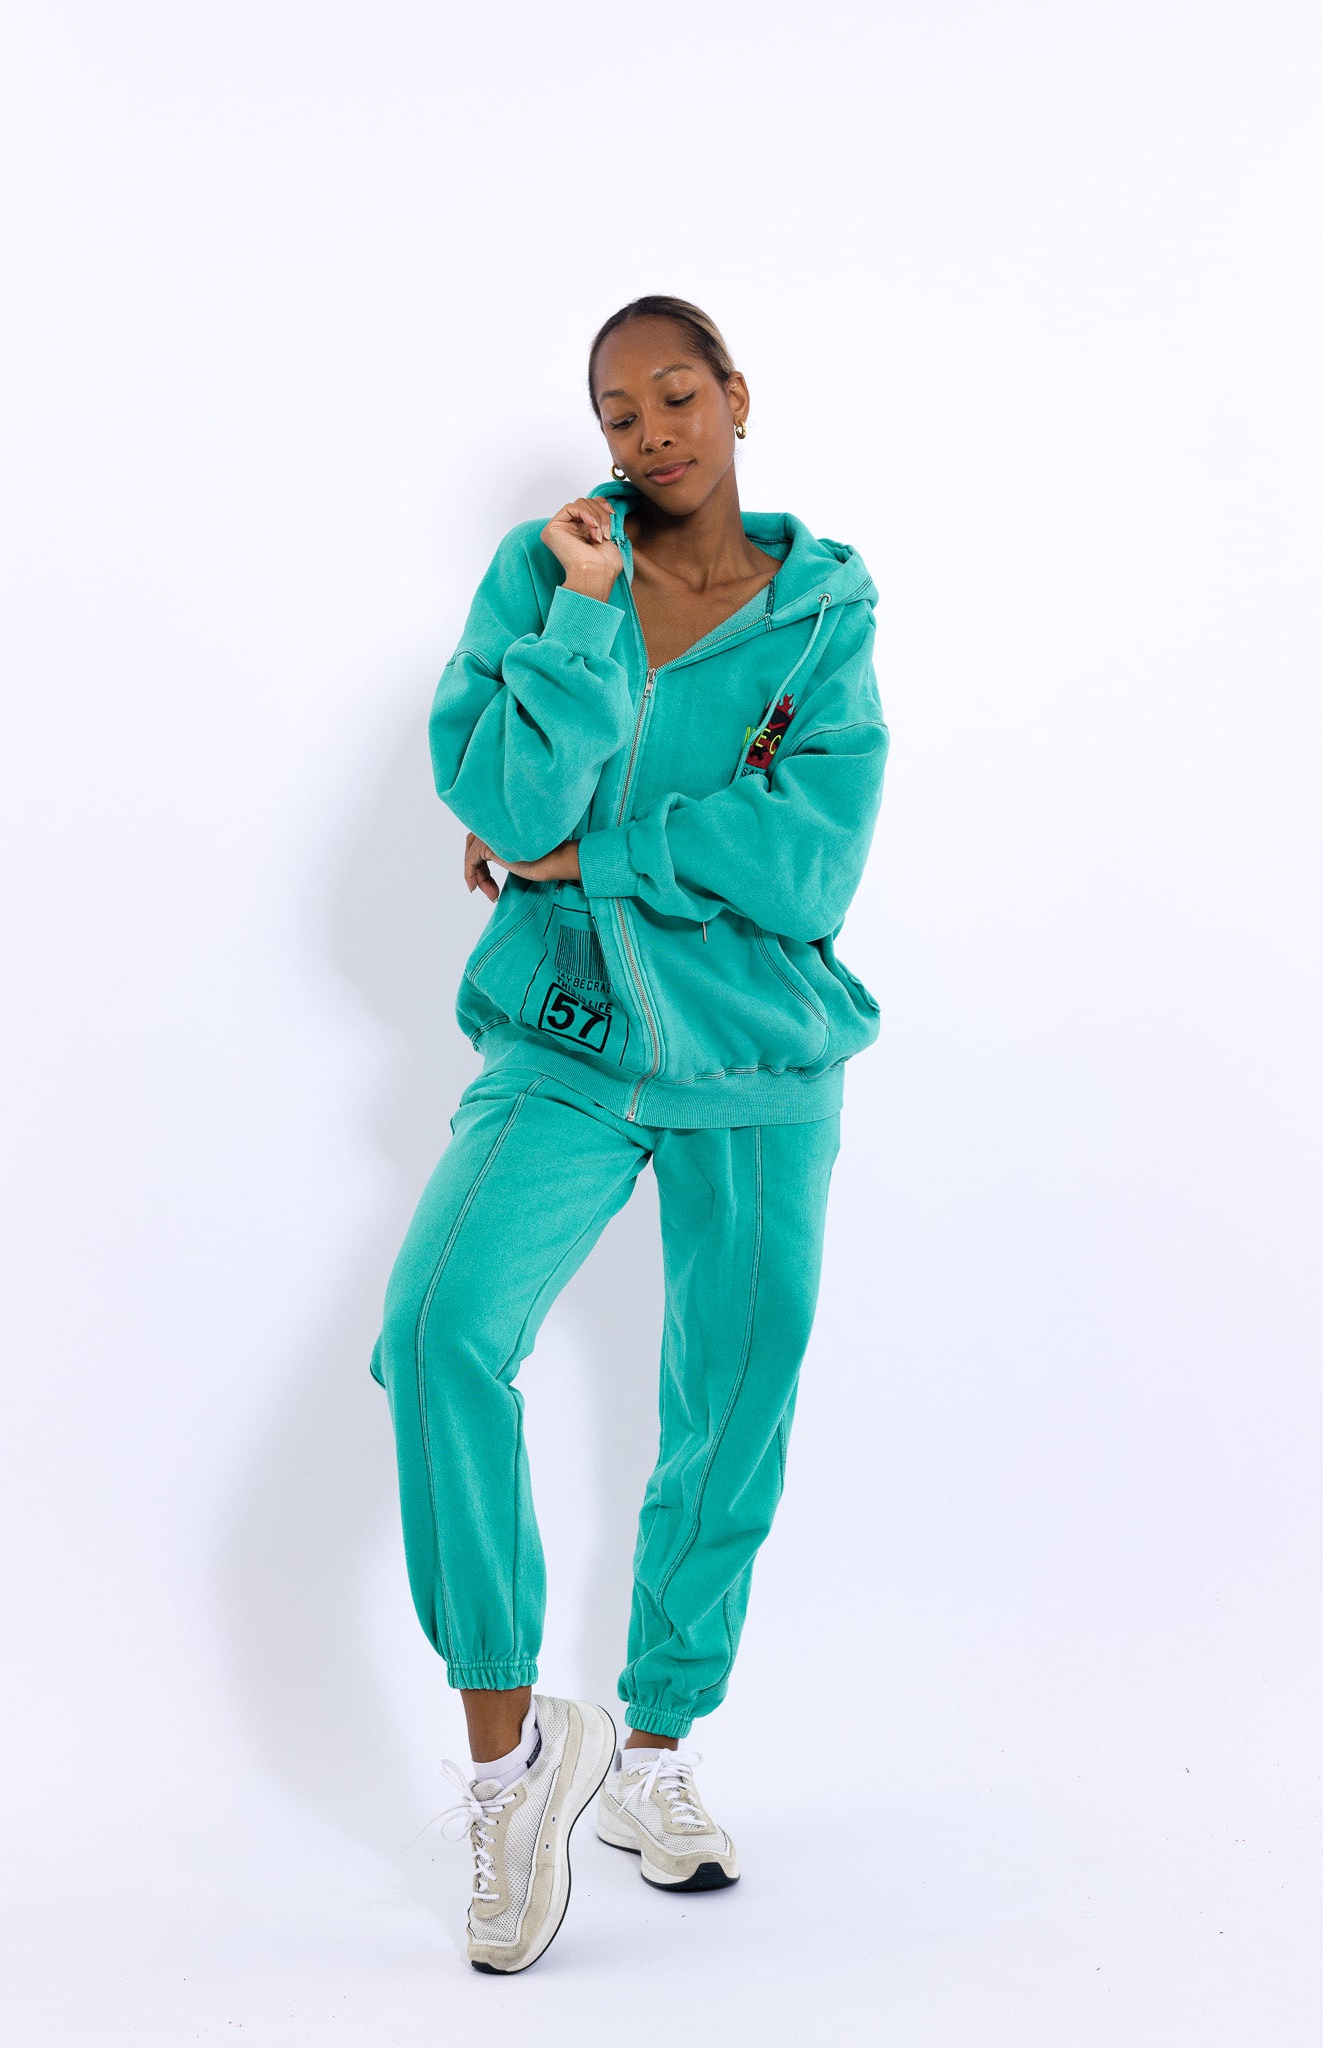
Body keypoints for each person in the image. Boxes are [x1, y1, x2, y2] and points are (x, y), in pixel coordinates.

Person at [369, 295, 890, 1972]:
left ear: (734, 396)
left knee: (726, 1409)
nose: (648, 431)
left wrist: (593, 860)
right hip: (569, 1032)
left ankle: (653, 1752)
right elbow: (500, 799)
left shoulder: (820, 616)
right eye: (616, 409)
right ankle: (514, 1762)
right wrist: (585, 621)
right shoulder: (549, 575)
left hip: (756, 1052)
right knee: (438, 1329)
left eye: (675, 395)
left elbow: (807, 860)